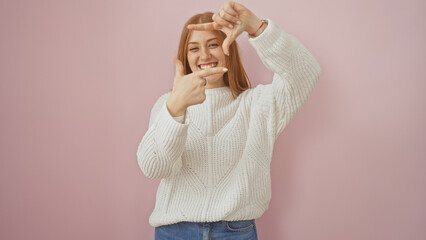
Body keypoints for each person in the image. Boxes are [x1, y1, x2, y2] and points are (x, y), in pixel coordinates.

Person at [136, 2, 321, 239]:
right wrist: (176, 107)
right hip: (175, 232)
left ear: (229, 49)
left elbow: (305, 72)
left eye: (213, 44)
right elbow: (154, 168)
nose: (204, 55)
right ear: (185, 56)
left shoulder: (259, 104)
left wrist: (255, 26)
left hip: (235, 232)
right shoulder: (167, 105)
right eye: (194, 48)